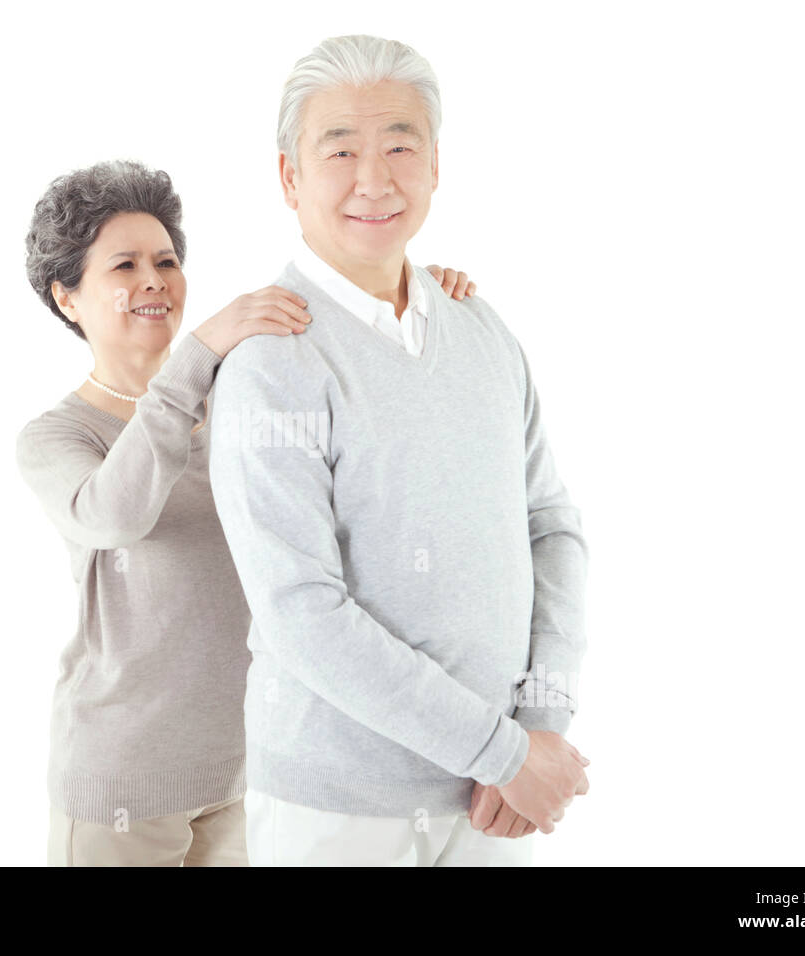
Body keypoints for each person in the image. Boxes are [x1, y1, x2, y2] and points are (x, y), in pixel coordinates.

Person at [16, 157, 480, 866]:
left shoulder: (238, 395)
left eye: (166, 260)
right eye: (124, 265)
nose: (154, 280)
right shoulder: (58, 437)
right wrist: (197, 353)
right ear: (67, 297)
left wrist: (416, 304)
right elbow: (114, 516)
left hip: (246, 776)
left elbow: (360, 447)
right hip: (121, 787)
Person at [207, 34, 592, 867]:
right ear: (289, 178)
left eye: (400, 146)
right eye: (339, 150)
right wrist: (506, 753)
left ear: (436, 165)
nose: (374, 179)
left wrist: (541, 725)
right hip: (338, 815)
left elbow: (552, 529)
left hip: (495, 806)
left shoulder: (484, 332)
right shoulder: (273, 362)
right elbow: (302, 613)